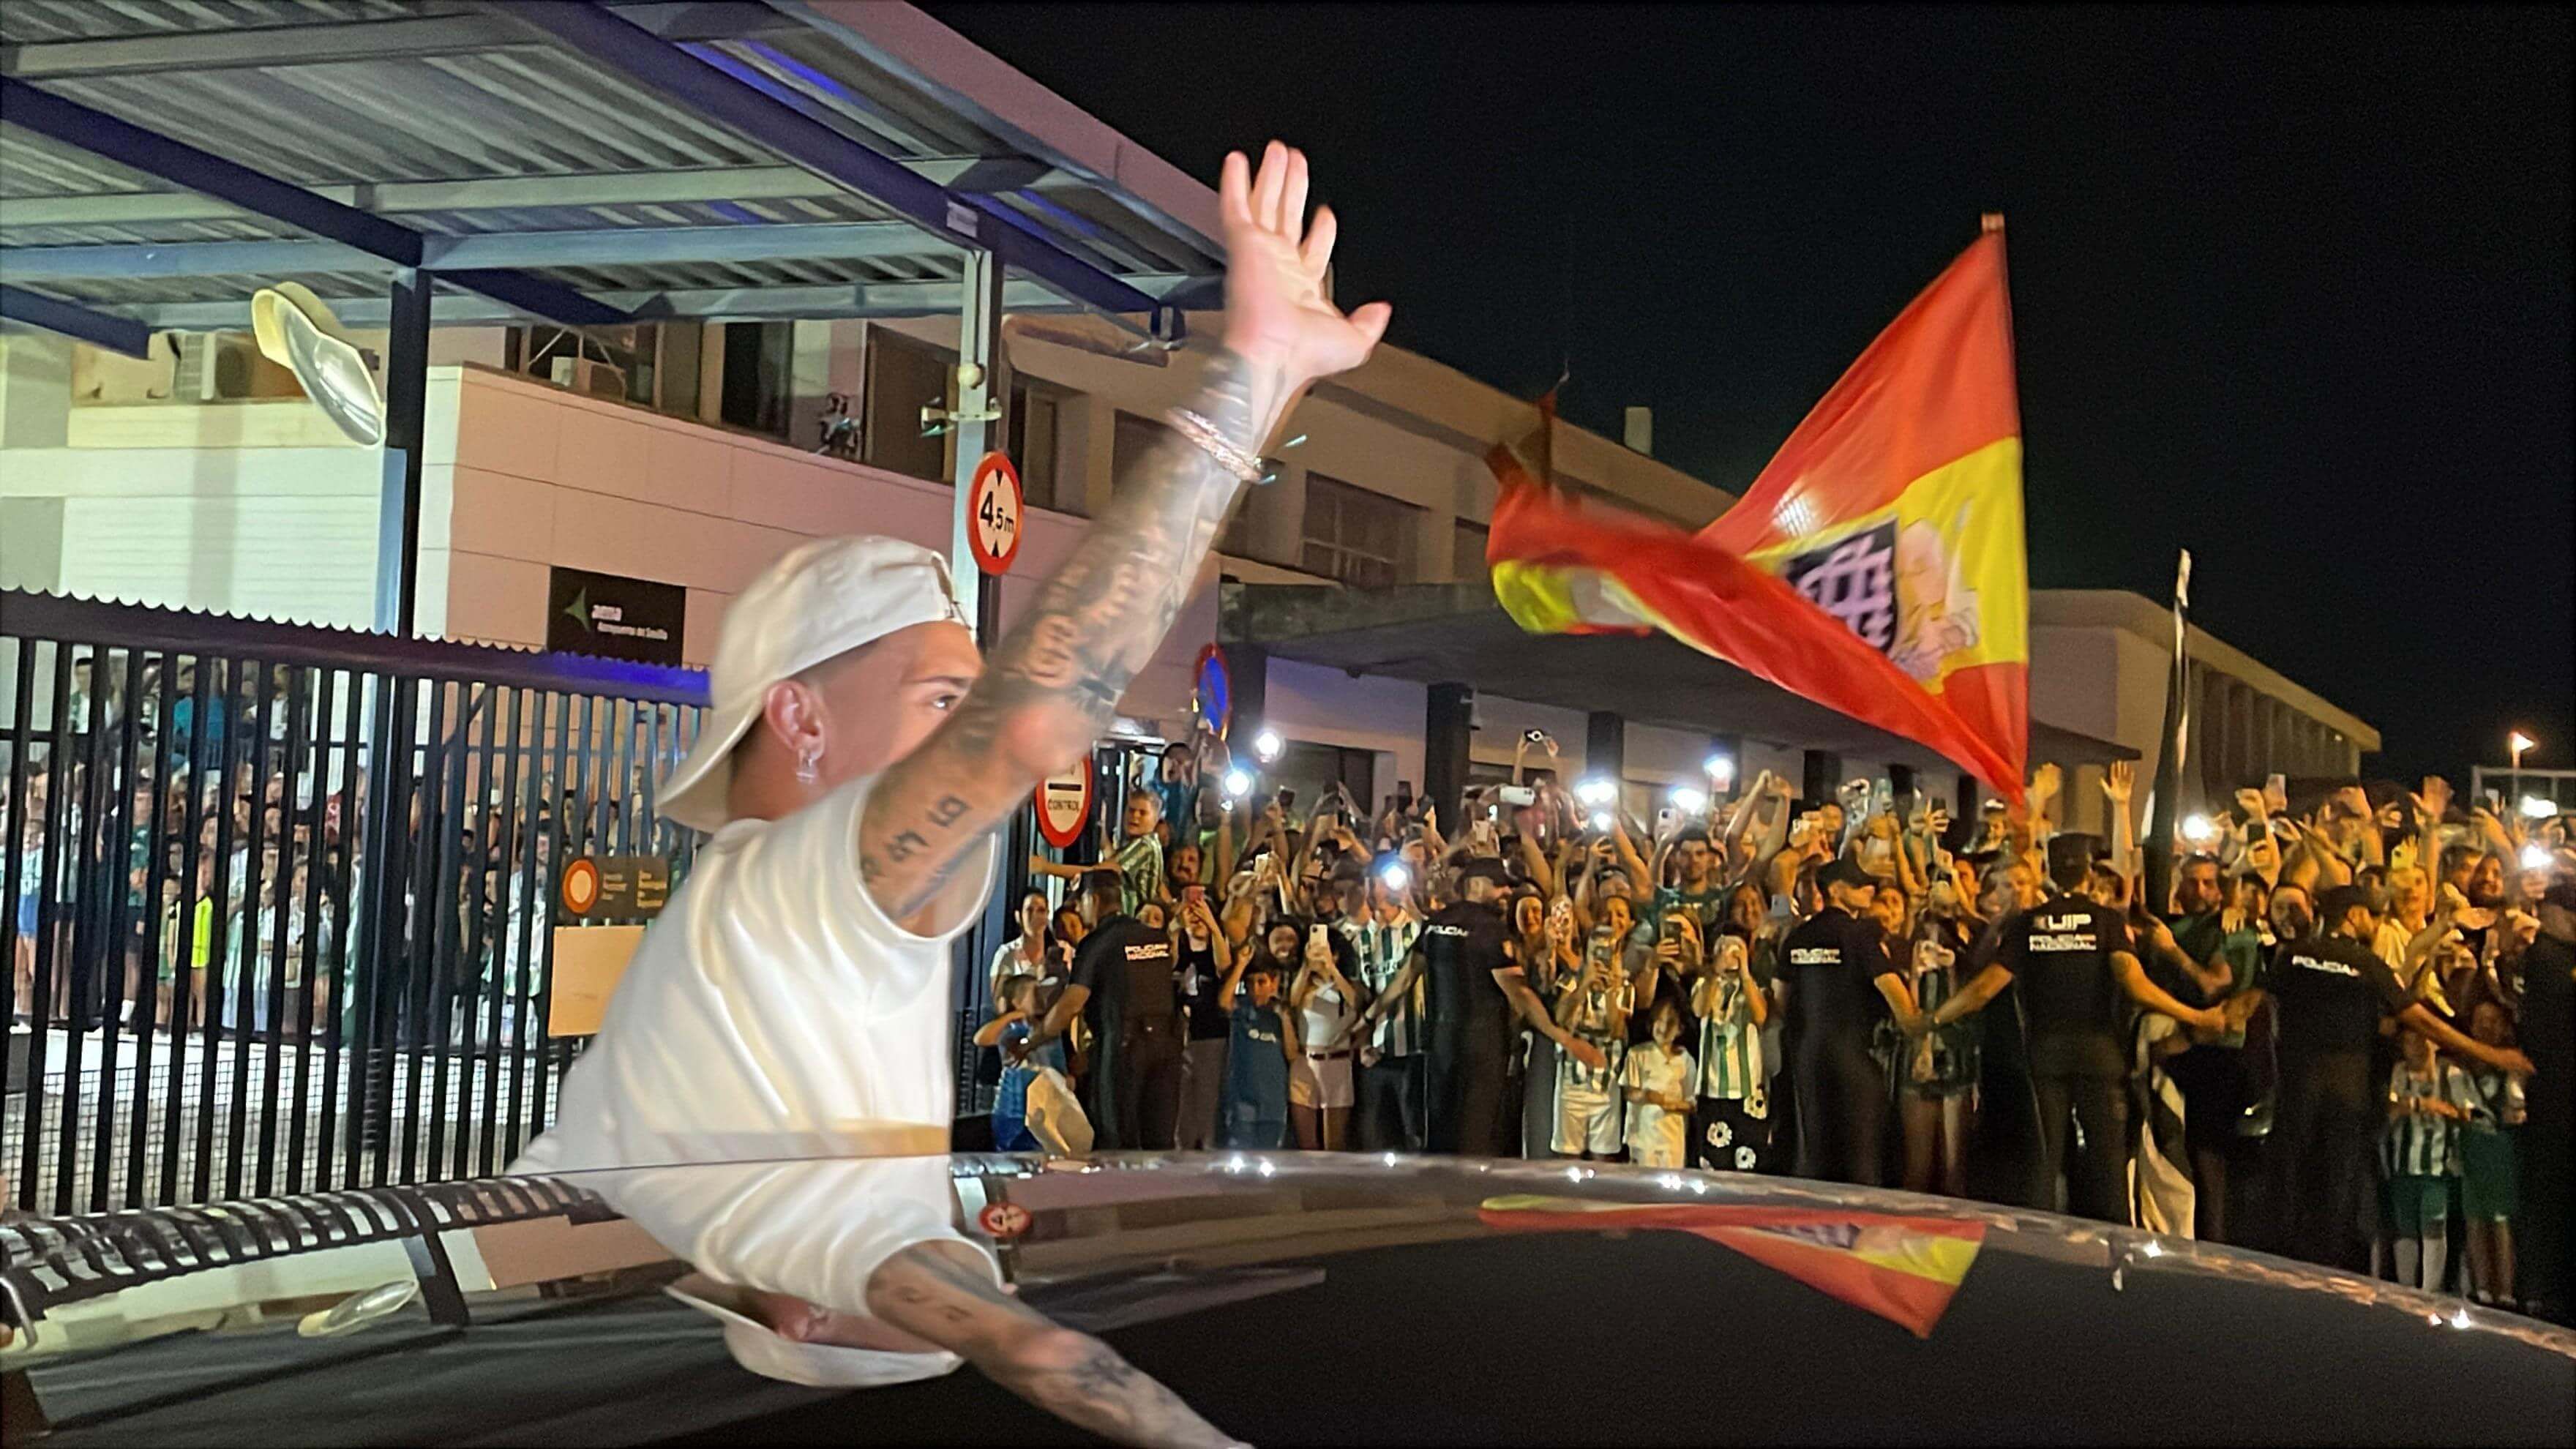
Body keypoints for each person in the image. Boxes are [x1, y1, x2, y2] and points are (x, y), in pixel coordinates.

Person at [509, 138, 1387, 1446]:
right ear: (801, 719)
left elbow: (1040, 1353)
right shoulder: (785, 905)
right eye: (939, 702)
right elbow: (1036, 720)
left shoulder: (753, 1007)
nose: (970, 752)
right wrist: (1247, 375)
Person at [2222, 884, 2531, 1270]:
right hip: (2347, 1099)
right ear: (2355, 916)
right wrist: (2491, 1054)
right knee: (2337, 1194)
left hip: (2296, 1094)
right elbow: (2422, 1022)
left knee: (2289, 1184)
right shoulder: (2366, 964)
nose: (2377, 923)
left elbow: (2247, 1004)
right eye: (2373, 916)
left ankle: (2276, 1272)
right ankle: (2325, 1278)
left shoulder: (2293, 956)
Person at [1931, 834, 2224, 1223]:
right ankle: (2115, 1249)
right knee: (2109, 1164)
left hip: (2045, 1058)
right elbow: (2135, 985)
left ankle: (2038, 1246)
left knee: (2045, 1162)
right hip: (2100, 1056)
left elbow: (1985, 988)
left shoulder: (2027, 924)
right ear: (2088, 873)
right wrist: (2197, 1017)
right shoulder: (2106, 921)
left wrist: (1931, 1020)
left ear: (2050, 873)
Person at [1358, 858, 1598, 1156]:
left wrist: (1368, 1017)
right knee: (1476, 1138)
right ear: (1475, 884)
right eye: (1499, 885)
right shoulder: (1490, 930)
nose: (1506, 892)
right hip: (1482, 1050)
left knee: (1441, 1138)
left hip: (1440, 1048)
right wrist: (1566, 1039)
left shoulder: (1436, 924)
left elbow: (1405, 978)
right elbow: (1520, 994)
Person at [1778, 858, 1906, 1186]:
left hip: (1808, 1055)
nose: (1870, 890)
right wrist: (1917, 1020)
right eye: (1859, 885)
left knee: (1816, 1153)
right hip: (1855, 1054)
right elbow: (1892, 989)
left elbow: (1780, 1000)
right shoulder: (1860, 935)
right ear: (1835, 891)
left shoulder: (1799, 937)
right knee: (1861, 1154)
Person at [1042, 870, 1181, 1151]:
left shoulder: (1097, 944)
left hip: (1123, 1048)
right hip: (1167, 1047)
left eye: (1080, 902)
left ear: (1093, 900)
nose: (1079, 910)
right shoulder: (1156, 938)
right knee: (1159, 1142)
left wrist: (1034, 1038)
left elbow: (1072, 1003)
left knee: (1117, 1140)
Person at [2381, 1026, 2485, 1293]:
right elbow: (2391, 1108)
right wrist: (2421, 1105)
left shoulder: (2451, 1074)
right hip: (2403, 1163)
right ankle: (2405, 1291)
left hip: (2438, 1166)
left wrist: (2445, 1110)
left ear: (2434, 1043)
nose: (2414, 1047)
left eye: (2420, 1040)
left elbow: (2468, 1112)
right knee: (2405, 1228)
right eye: (2408, 1041)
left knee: (2433, 1225)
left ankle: (2430, 1292)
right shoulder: (2399, 1072)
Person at [1344, 868, 1425, 1152]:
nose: (1377, 890)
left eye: (1382, 882)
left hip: (1414, 1049)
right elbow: (1359, 994)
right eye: (1371, 883)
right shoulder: (1359, 940)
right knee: (1375, 1138)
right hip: (1375, 1051)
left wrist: (1409, 900)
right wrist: (1363, 1038)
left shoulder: (1415, 929)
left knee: (1414, 1134)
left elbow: (1431, 933)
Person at [2460, 1000, 2525, 1308]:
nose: (2486, 1027)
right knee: (2474, 1219)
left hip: (2500, 1147)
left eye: (2493, 1021)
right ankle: (2482, 1286)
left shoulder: (2511, 1066)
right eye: (2480, 1020)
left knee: (2501, 1220)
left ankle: (2506, 1291)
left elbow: (2517, 1106)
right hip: (2471, 1146)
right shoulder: (2459, 1066)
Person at [1691, 926, 1772, 1173]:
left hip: (1748, 1091)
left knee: (1748, 1162)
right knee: (1715, 1163)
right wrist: (1716, 971)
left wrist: (1745, 972)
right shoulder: (1704, 984)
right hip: (1712, 1089)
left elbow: (1761, 1016)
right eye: (1723, 948)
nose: (1730, 954)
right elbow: (1700, 1010)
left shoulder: (1755, 987)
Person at [1555, 924, 1633, 1161]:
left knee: (1603, 1162)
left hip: (1606, 1088)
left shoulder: (1625, 988)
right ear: (1585, 954)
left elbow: (1616, 1030)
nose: (1601, 960)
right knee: (1568, 1161)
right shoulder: (1570, 980)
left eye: (1607, 953)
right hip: (1572, 1085)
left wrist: (1609, 991)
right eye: (1595, 953)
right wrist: (1584, 985)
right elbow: (1561, 1019)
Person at [1287, 922, 1366, 1150]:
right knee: (1307, 1144)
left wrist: (1331, 967)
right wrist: (1306, 966)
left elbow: (1356, 1003)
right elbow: (1292, 1001)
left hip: (1337, 1063)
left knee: (1335, 1144)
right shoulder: (1305, 985)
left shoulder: (1350, 985)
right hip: (1305, 1062)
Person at [1171, 891, 1234, 1151]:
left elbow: (1225, 966)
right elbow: (1169, 964)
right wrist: (1177, 925)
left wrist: (1211, 925)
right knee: (1181, 1106)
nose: (1196, 919)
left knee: (1208, 1102)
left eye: (1201, 914)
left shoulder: (1215, 950)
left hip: (1210, 1036)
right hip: (1178, 1037)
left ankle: (1209, 1152)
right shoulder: (1179, 946)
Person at [1218, 954, 1296, 1150]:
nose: (1255, 989)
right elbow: (1224, 1002)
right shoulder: (1242, 1008)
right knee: (1242, 1153)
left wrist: (1284, 1018)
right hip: (1242, 1099)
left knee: (1269, 1155)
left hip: (1273, 1102)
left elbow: (1292, 1054)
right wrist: (1241, 965)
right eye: (1250, 983)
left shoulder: (1280, 1013)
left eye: (1261, 982)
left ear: (1273, 983)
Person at [1622, 997, 1696, 1169]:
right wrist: (1646, 1096)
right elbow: (1629, 1092)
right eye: (1659, 1021)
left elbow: (1692, 1102)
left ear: (1680, 1029)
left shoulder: (1685, 1059)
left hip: (1672, 1139)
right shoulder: (1637, 1054)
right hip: (1643, 1138)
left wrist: (1671, 1104)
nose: (1664, 1028)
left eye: (1671, 1023)